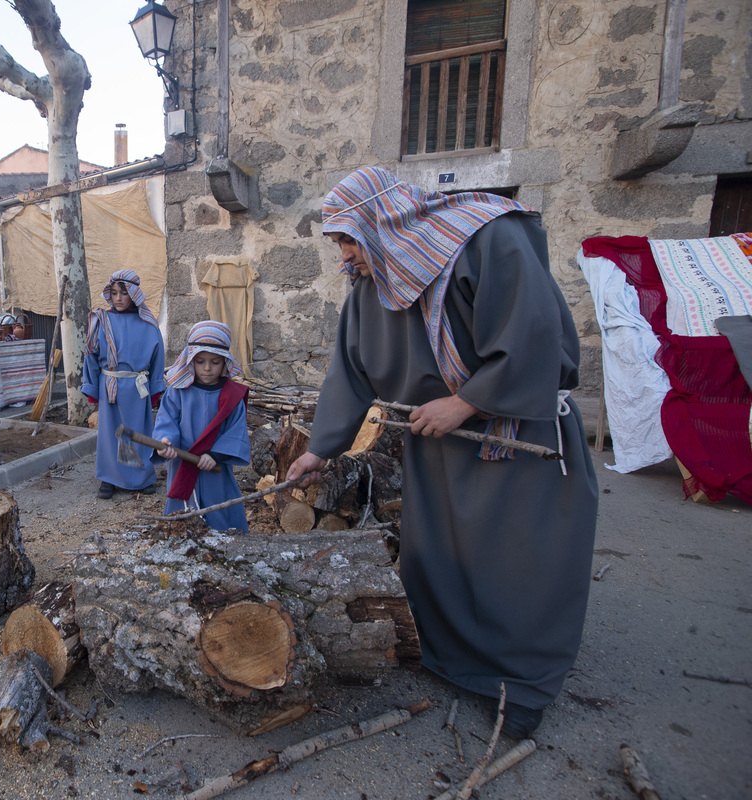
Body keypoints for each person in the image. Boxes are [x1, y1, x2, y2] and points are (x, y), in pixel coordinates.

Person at [285, 168, 598, 739]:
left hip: (514, 435)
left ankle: (522, 684)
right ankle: (454, 659)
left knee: (520, 566)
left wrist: (468, 401)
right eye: (339, 245)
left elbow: (535, 336)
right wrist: (320, 450)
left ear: (383, 223)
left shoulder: (485, 240)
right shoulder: (372, 291)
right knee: (445, 561)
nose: (345, 259)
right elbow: (350, 375)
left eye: (349, 241)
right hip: (440, 450)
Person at [152, 321, 251, 531]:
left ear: (225, 362)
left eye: (215, 362)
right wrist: (166, 441)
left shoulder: (232, 395)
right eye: (200, 361)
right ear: (190, 361)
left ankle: (225, 539)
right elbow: (166, 420)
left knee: (219, 507)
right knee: (183, 513)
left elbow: (236, 431)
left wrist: (216, 455)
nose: (207, 368)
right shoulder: (177, 391)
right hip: (182, 461)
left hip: (215, 466)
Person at [83, 269, 165, 499]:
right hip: (110, 385)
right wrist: (91, 387)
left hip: (137, 387)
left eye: (124, 293)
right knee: (111, 434)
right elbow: (90, 356)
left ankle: (140, 477)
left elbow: (158, 358)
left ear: (135, 295)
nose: (118, 298)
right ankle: (110, 477)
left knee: (137, 432)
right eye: (114, 293)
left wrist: (156, 388)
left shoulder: (149, 324)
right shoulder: (101, 320)